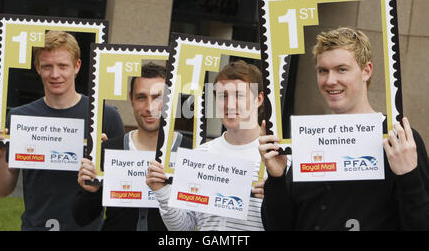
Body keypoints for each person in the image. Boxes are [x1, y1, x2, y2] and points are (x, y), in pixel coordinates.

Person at [259, 27, 429, 230]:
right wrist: (277, 179)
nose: (330, 81)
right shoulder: (310, 138)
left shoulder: (399, 140)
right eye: (323, 70)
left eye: (342, 69)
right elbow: (278, 227)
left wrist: (408, 177)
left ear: (366, 71)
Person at [0, 30, 124, 231]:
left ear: (77, 66)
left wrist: (103, 169)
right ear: (37, 68)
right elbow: (2, 190)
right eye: (47, 66)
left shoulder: (105, 117)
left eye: (63, 66)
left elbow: (121, 189)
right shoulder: (19, 117)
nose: (55, 74)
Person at [147, 60, 266, 231]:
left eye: (239, 95)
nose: (229, 105)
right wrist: (162, 192)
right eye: (223, 95)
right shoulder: (201, 155)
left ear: (259, 99)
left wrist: (276, 199)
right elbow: (184, 228)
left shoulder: (276, 160)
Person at [73, 62, 192, 230]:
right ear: (131, 99)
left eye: (158, 97)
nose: (150, 108)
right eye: (141, 97)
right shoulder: (109, 150)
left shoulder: (190, 153)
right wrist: (91, 191)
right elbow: (81, 217)